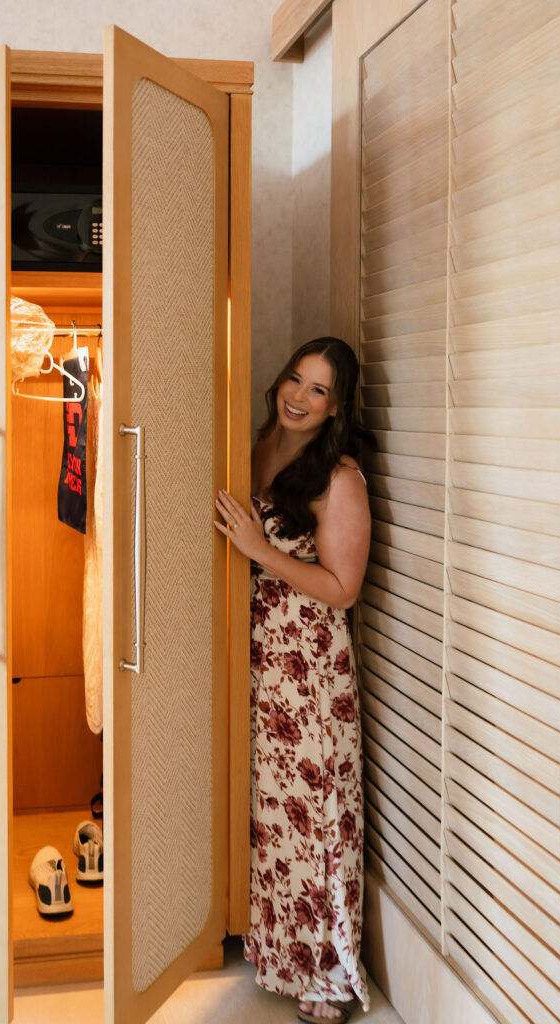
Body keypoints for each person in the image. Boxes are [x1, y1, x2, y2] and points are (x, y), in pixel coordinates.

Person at [215, 337, 372, 1023]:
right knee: (273, 814)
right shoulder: (253, 445)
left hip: (307, 668)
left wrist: (257, 550)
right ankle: (281, 950)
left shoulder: (338, 476)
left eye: (317, 391)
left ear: (336, 408)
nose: (298, 397)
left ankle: (329, 972)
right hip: (256, 657)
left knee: (317, 816)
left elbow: (341, 588)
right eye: (294, 380)